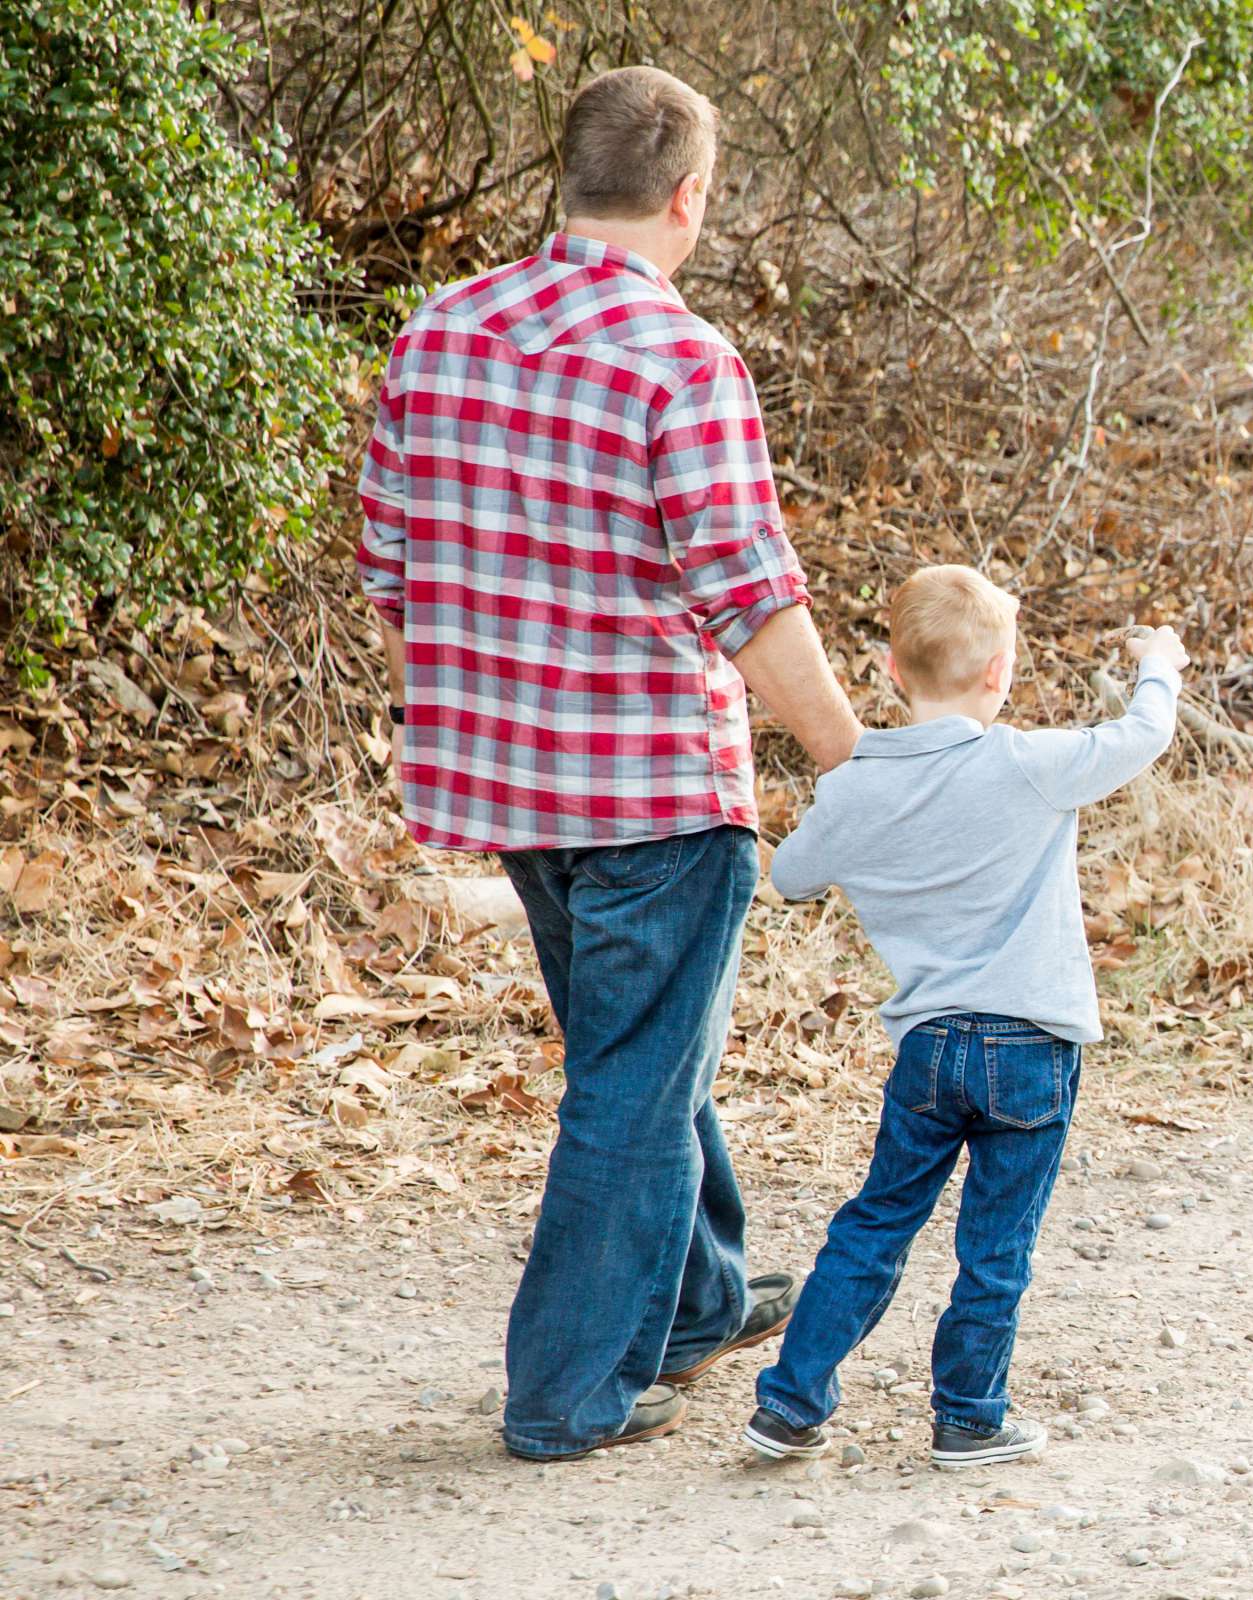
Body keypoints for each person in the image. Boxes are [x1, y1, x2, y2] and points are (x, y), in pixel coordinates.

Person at [355, 66, 863, 1461]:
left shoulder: (442, 330)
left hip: (510, 783)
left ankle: (692, 1304)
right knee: (635, 1083)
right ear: (690, 196)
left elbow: (389, 563)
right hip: (652, 790)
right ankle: (565, 1393)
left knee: (643, 1059)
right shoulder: (679, 359)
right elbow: (748, 595)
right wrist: (855, 759)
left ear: (565, 178)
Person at [743, 566, 1187, 1469]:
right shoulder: (1025, 762)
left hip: (929, 1048)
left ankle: (790, 1404)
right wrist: (1160, 663)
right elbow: (1144, 733)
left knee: (875, 1222)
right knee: (995, 1242)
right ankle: (970, 1417)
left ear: (892, 669)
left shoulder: (859, 785)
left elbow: (786, 877)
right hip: (1031, 1043)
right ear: (1001, 673)